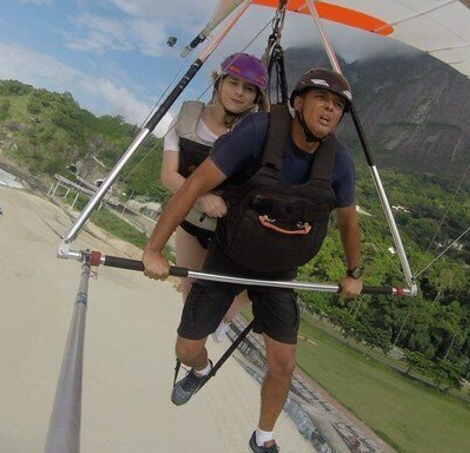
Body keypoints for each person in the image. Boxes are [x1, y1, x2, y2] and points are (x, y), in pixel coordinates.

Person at [143, 68, 364, 452]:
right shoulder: (258, 131)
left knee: (284, 363)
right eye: (321, 100)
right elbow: (194, 186)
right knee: (186, 347)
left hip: (279, 270)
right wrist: (153, 250)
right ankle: (201, 368)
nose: (330, 110)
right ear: (297, 103)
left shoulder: (338, 161)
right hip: (229, 255)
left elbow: (348, 221)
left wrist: (353, 273)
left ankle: (263, 437)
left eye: (338, 106)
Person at [161, 53, 268, 342]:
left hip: (233, 229)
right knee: (193, 301)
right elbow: (169, 175)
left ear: (257, 98)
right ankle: (196, 358)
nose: (239, 92)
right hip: (194, 220)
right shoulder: (185, 119)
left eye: (248, 89)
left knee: (248, 287)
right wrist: (201, 196)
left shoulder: (258, 132)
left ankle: (226, 317)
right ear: (218, 82)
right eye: (233, 83)